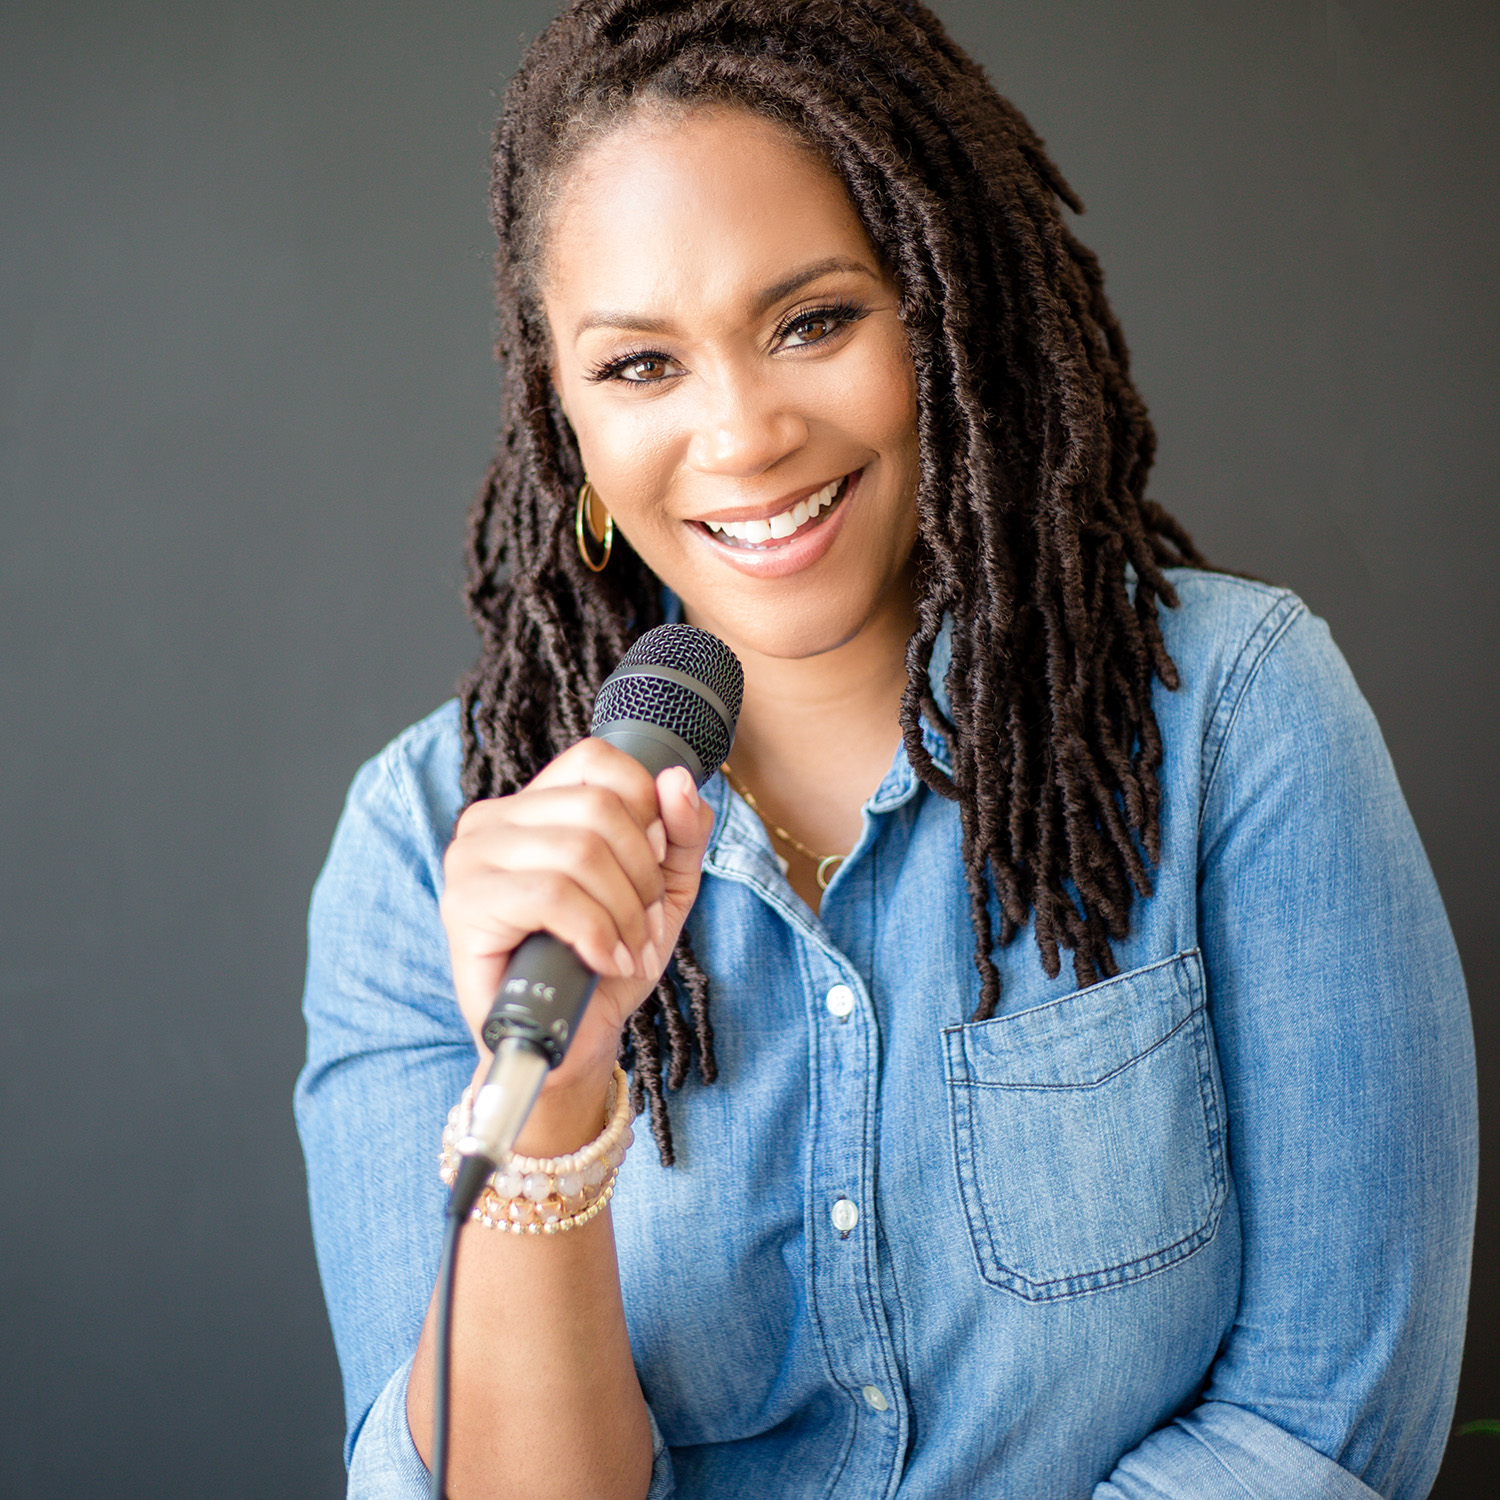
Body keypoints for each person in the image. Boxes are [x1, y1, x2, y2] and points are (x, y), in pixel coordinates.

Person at [294, 2, 1477, 1496]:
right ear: (563, 424)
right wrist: (565, 1099)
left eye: (813, 321)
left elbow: (1324, 1428)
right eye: (642, 367)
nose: (740, 437)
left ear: (947, 310)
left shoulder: (1237, 717)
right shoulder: (426, 853)